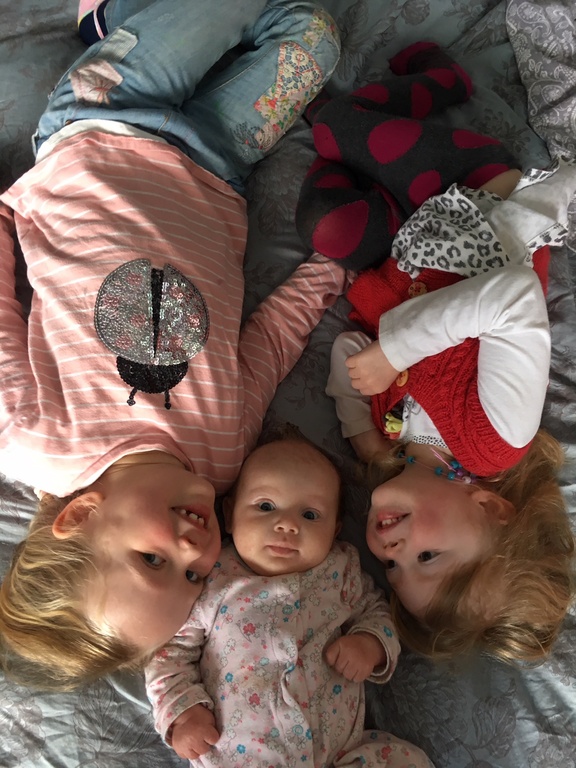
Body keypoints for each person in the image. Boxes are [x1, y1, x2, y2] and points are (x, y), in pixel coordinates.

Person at [0, 0, 344, 691]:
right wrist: (335, 268)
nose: (195, 549)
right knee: (315, 36)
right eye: (193, 577)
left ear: (82, 515)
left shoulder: (36, 442)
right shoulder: (222, 459)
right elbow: (269, 344)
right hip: (218, 166)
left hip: (99, 128)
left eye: (154, 561)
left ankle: (110, 21)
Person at [296, 43, 576, 663]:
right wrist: (396, 351)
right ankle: (441, 80)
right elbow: (513, 299)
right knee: (335, 127)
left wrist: (362, 429)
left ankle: (374, 145)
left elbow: (350, 349)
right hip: (476, 203)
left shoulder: (394, 441)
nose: (392, 552)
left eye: (394, 571)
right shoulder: (496, 438)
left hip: (406, 244)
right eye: (428, 556)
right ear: (489, 507)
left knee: (325, 225)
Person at [145, 434, 434, 768]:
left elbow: (378, 611)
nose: (287, 524)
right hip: (240, 757)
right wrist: (183, 711)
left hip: (338, 755)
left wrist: (370, 644)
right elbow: (170, 652)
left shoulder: (340, 570)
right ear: (230, 514)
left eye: (310, 515)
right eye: (266, 507)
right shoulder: (212, 576)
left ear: (334, 530)